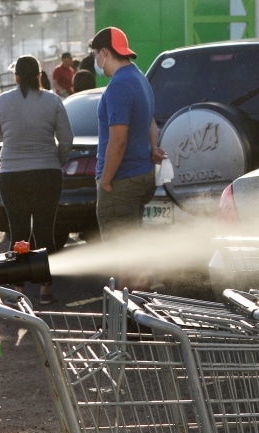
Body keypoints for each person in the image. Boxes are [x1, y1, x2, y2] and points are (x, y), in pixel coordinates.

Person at [89, 26, 167, 290]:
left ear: (104, 53)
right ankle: (138, 318)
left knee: (119, 259)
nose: (95, 62)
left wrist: (107, 181)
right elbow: (150, 123)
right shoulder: (140, 78)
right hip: (141, 174)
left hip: (121, 181)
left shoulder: (119, 86)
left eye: (95, 55)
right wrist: (153, 148)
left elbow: (118, 140)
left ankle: (124, 323)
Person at [0, 55, 72, 304]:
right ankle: (46, 289)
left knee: (19, 233)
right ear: (39, 75)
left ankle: (18, 288)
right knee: (46, 232)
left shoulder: (3, 101)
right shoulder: (53, 101)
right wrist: (54, 161)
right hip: (47, 173)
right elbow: (66, 139)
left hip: (12, 175)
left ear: (15, 76)